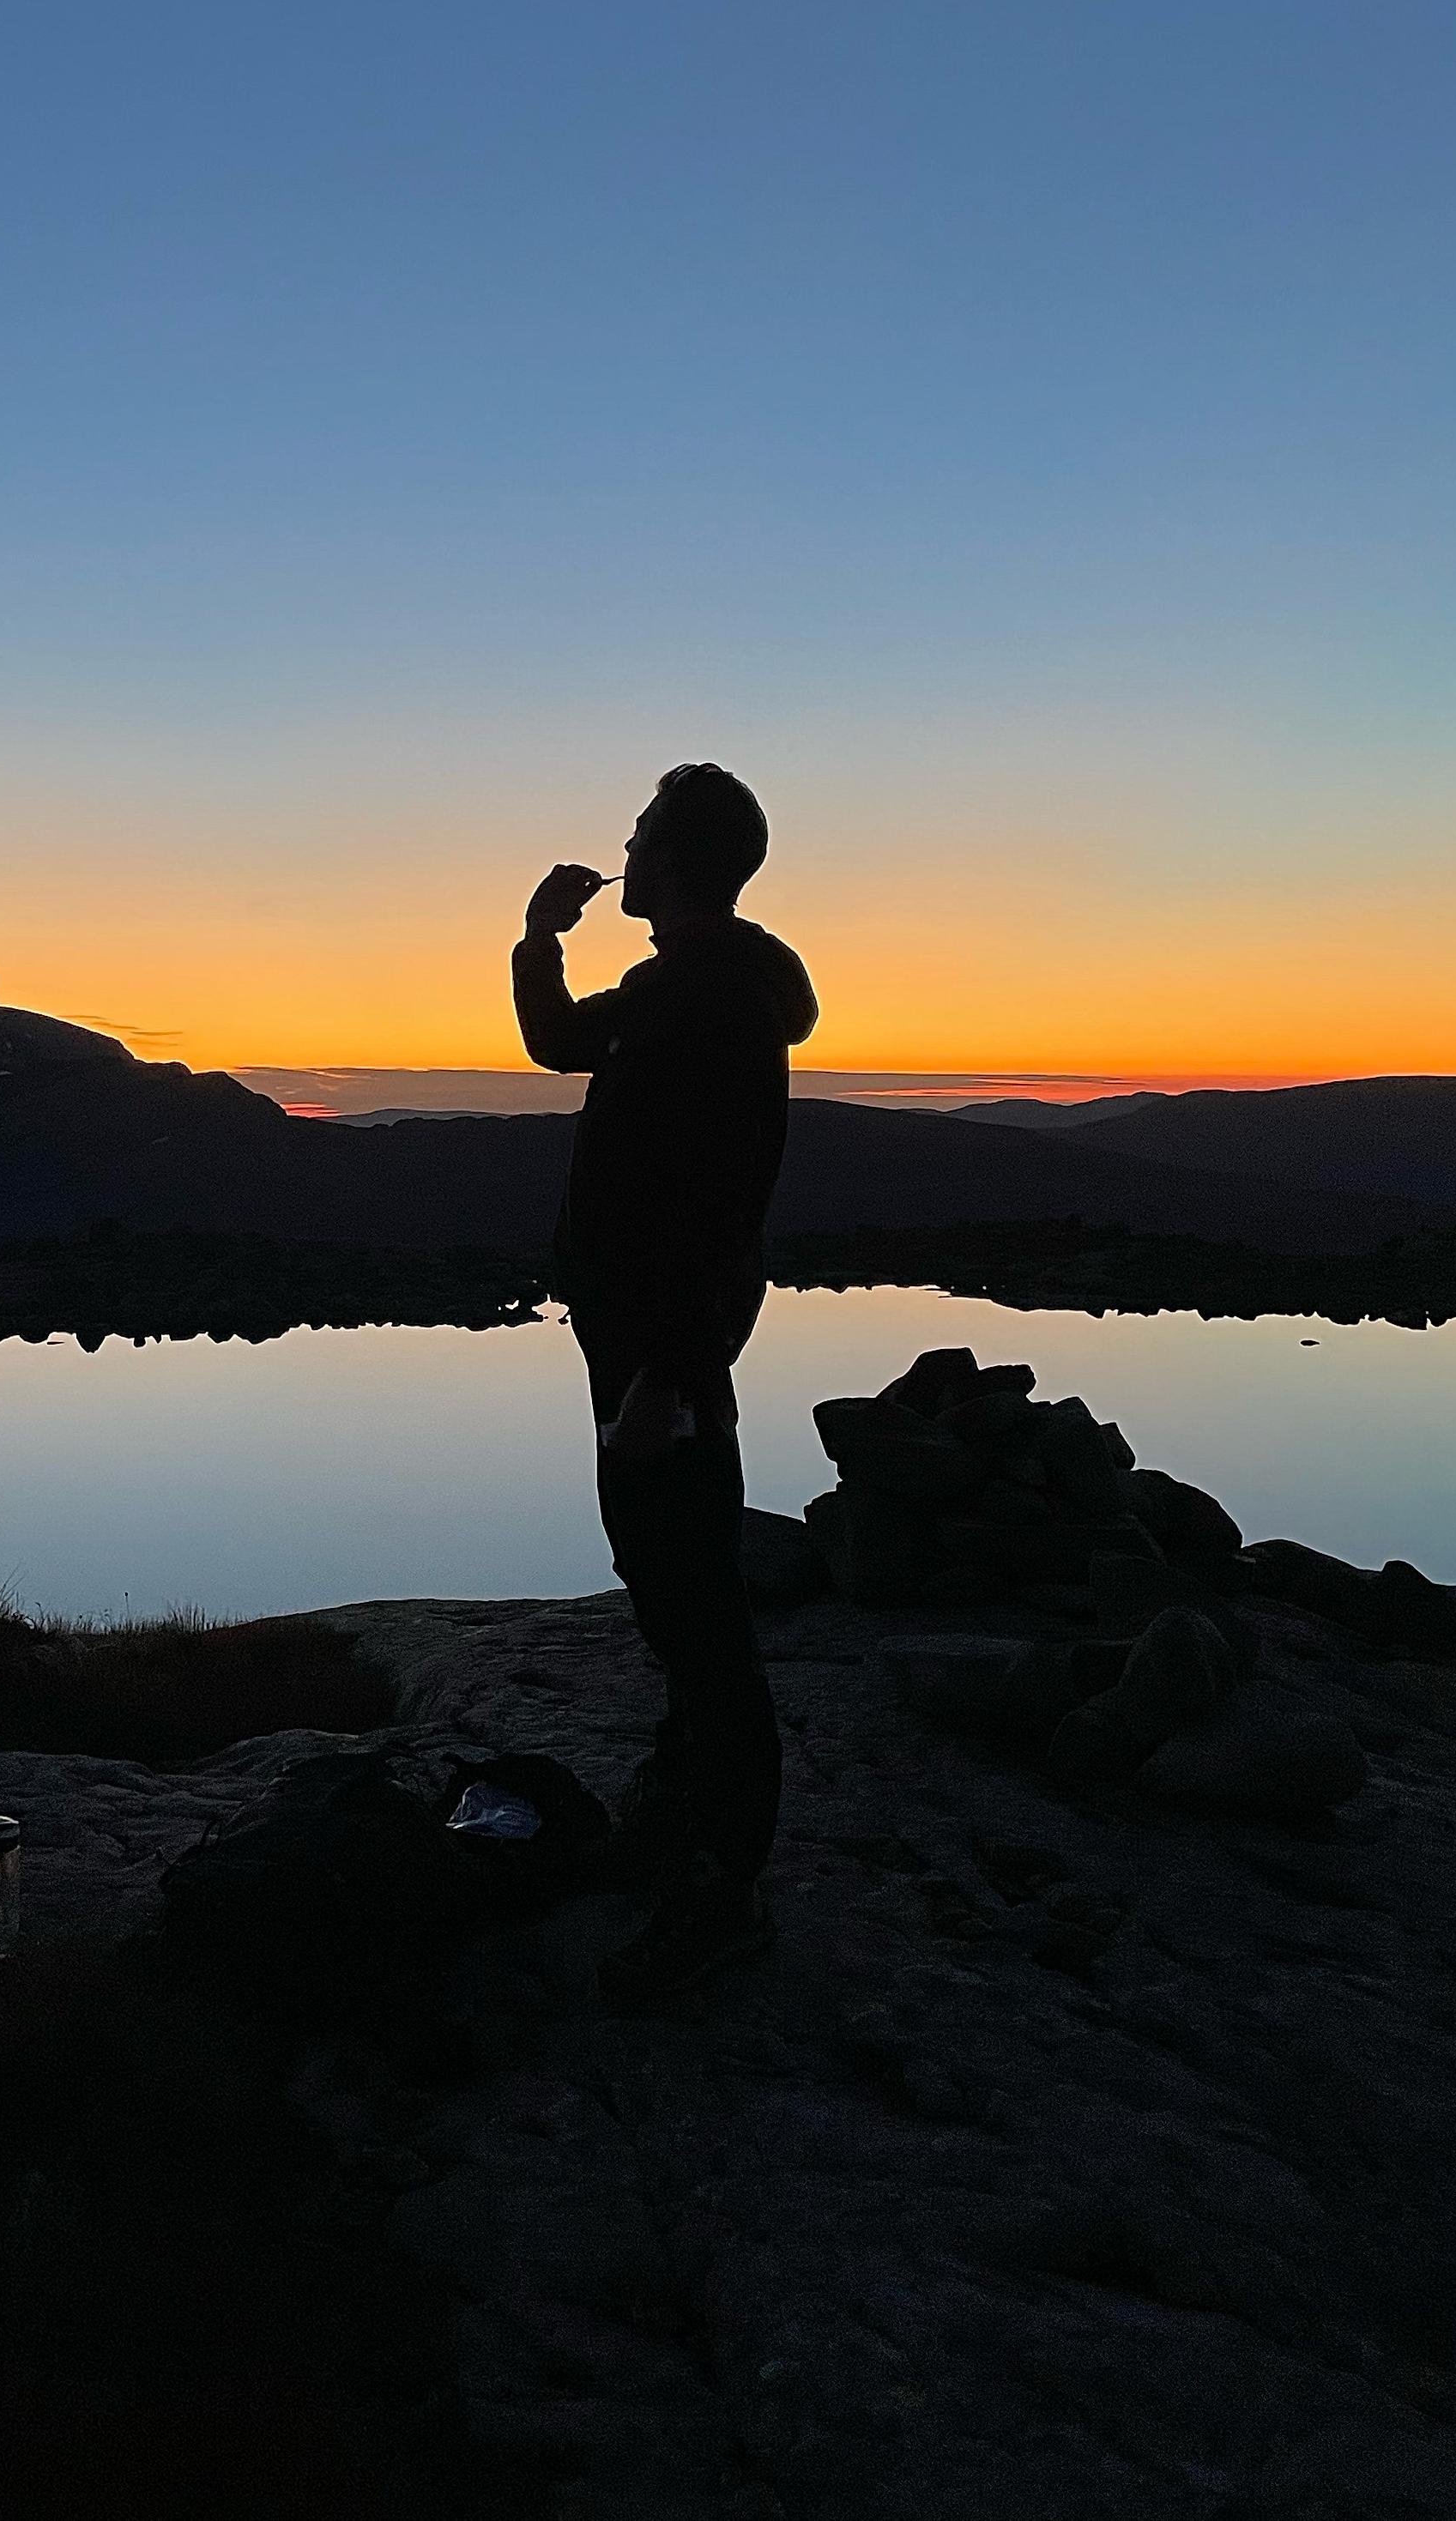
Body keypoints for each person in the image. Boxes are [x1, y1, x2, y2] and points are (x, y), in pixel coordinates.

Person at [513, 763, 819, 2005]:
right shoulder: (669, 984)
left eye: (639, 837)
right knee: (662, 1585)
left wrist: (672, 1380)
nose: (623, 852)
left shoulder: (724, 1005)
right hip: (630, 1340)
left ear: (679, 860)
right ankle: (676, 1814)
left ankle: (723, 1888)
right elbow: (555, 1044)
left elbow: (724, 1204)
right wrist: (540, 937)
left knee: (702, 1617)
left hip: (664, 1356)